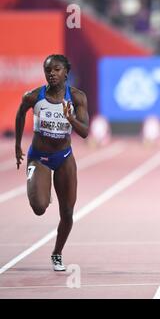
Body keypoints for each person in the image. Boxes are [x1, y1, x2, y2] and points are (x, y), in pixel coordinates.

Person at [15, 54, 89, 271]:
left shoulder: (77, 98)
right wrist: (18, 145)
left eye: (56, 70)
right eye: (48, 70)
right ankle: (40, 188)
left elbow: (84, 133)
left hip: (64, 157)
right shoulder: (33, 96)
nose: (51, 74)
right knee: (39, 208)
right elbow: (20, 115)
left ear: (66, 72)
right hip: (39, 157)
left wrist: (71, 118)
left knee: (67, 212)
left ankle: (57, 253)